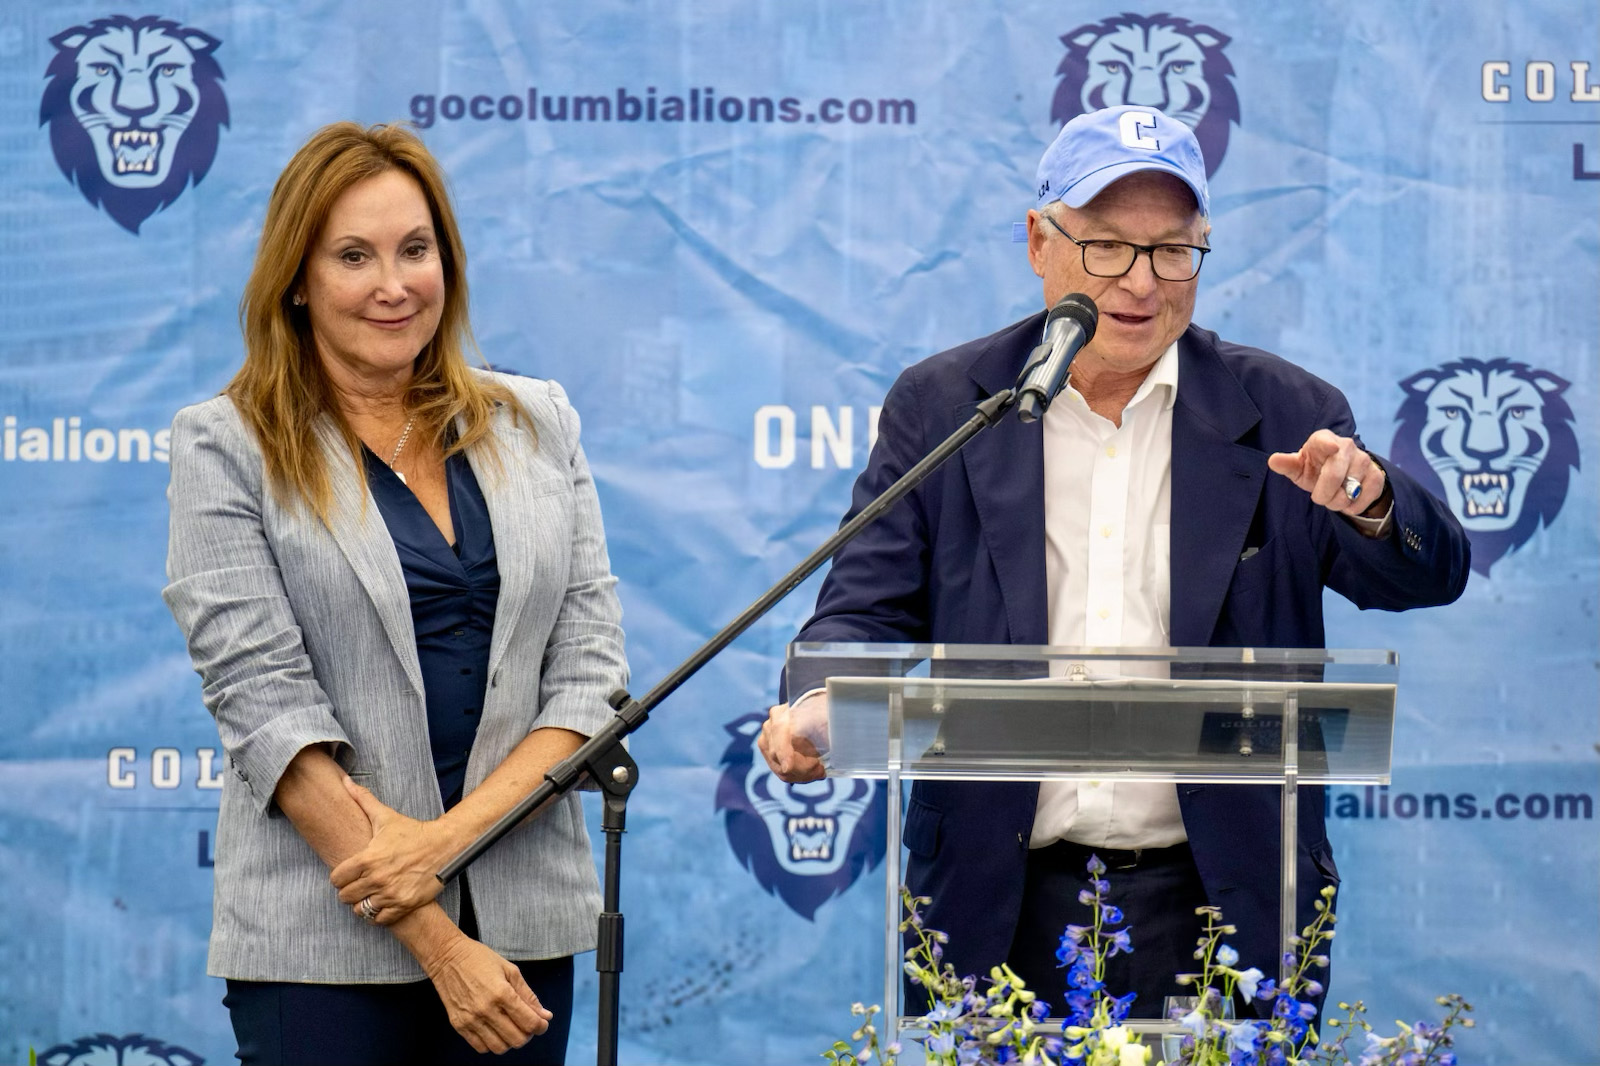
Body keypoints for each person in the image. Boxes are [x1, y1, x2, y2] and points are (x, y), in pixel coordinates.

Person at [758, 105, 1469, 1017]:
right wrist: (823, 701)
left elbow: (1428, 573)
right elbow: (862, 604)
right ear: (1038, 242)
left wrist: (1372, 506)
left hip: (1222, 898)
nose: (1141, 282)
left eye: (1173, 251)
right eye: (1106, 248)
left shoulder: (1285, 411)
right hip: (994, 890)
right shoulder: (947, 406)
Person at [163, 122, 627, 1065]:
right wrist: (435, 935)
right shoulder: (226, 445)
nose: (393, 284)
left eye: (415, 250)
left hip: (523, 932)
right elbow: (268, 715)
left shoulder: (539, 421)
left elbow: (589, 682)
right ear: (297, 277)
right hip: (319, 948)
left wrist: (439, 847)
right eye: (353, 256)